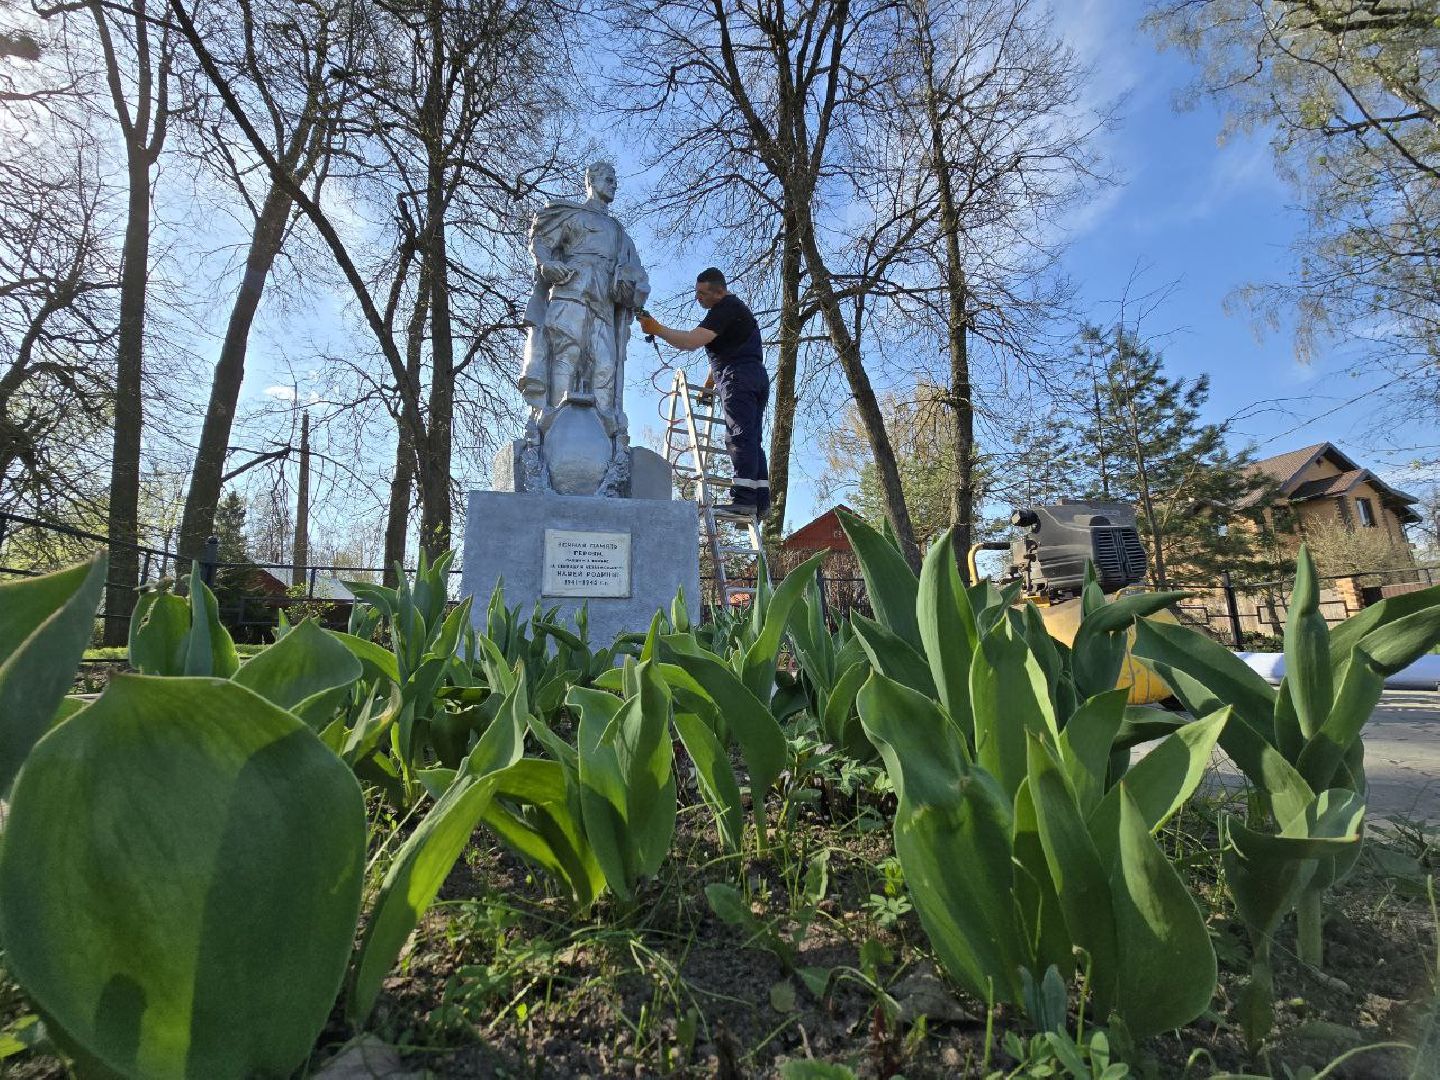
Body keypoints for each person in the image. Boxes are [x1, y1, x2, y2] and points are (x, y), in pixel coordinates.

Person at [639, 268, 770, 519]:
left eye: (702, 293)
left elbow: (690, 341)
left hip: (738, 378)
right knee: (752, 439)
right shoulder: (737, 311)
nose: (697, 298)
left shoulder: (724, 309)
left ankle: (744, 500)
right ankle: (760, 500)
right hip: (752, 376)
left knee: (739, 437)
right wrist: (709, 384)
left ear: (719, 292)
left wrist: (657, 329)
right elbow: (726, 350)